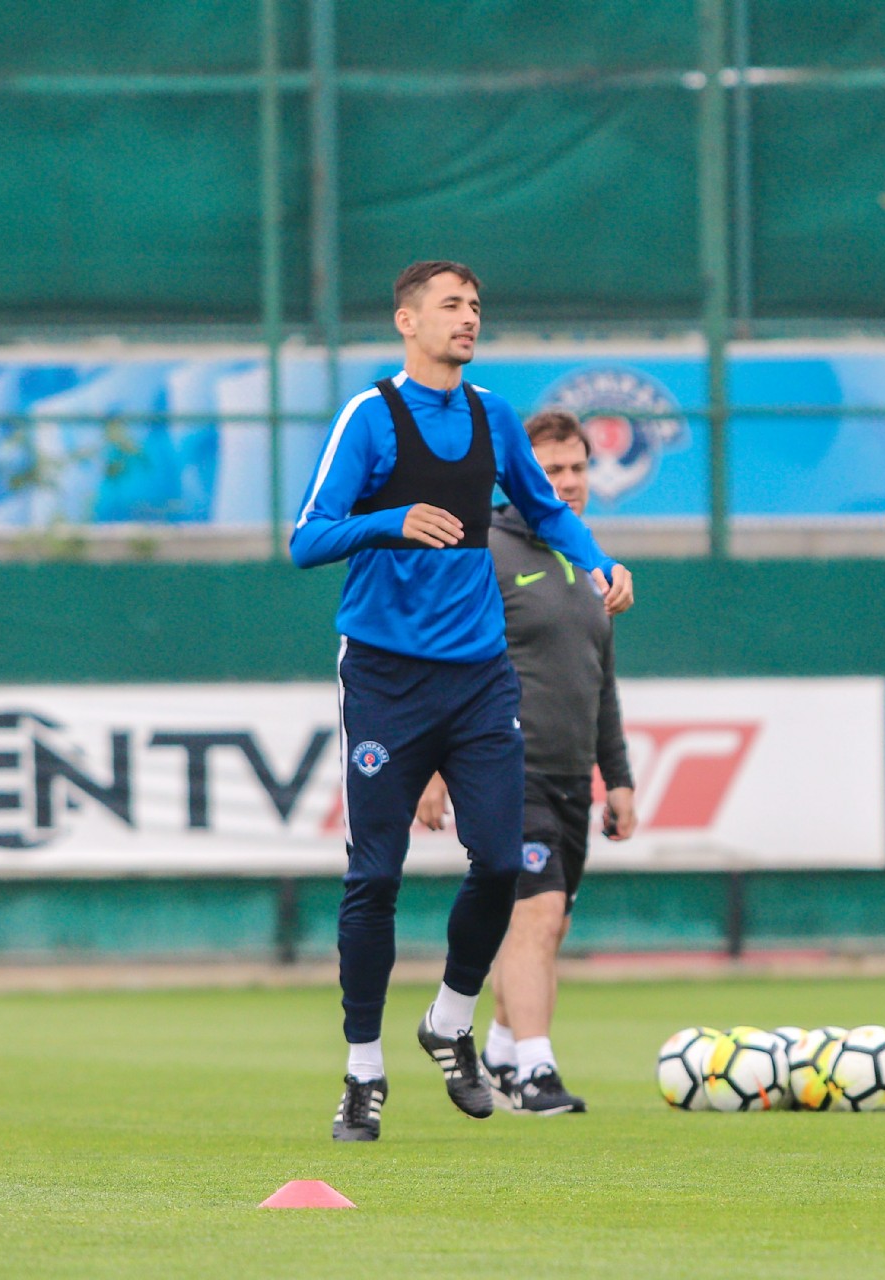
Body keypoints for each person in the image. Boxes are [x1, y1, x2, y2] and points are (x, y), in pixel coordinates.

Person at [291, 260, 634, 1142]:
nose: (469, 317)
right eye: (452, 305)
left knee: (501, 863)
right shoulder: (370, 417)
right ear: (407, 321)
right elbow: (306, 538)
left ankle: (449, 1021)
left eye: (476, 305)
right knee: (375, 875)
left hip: (479, 676)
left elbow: (544, 509)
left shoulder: (492, 415)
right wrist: (390, 520)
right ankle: (362, 1072)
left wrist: (598, 560)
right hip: (385, 678)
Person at [415, 408, 638, 1117]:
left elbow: (599, 681)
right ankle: (538, 1070)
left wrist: (619, 778)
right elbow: (443, 661)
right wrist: (433, 766)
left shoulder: (591, 564)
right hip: (505, 766)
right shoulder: (486, 551)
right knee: (535, 917)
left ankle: (505, 1054)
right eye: (551, 470)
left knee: (547, 925)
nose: (568, 482)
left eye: (577, 468)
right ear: (520, 477)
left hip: (572, 777)